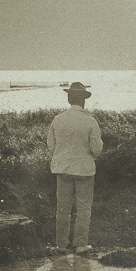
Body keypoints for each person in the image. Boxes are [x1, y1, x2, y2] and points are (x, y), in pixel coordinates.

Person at [47, 82, 103, 255]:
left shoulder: (58, 119)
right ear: (84, 101)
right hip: (84, 170)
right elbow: (97, 148)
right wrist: (88, 157)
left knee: (63, 208)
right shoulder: (90, 121)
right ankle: (80, 245)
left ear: (69, 99)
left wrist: (63, 155)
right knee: (83, 208)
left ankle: (61, 245)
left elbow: (51, 145)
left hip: (62, 169)